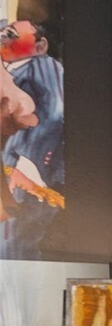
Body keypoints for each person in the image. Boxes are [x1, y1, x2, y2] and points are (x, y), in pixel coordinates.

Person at [1, 18, 65, 257]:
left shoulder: (42, 66)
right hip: (13, 172)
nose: (2, 38)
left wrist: (28, 162)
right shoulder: (10, 72)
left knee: (13, 244)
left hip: (28, 174)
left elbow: (55, 111)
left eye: (10, 34)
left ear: (40, 46)